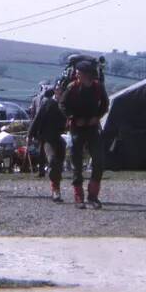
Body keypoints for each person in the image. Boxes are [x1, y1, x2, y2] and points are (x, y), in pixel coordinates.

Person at [60, 60, 108, 209]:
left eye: (79, 73)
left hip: (93, 127)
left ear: (86, 75)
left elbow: (105, 104)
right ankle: (78, 197)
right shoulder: (72, 87)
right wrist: (73, 118)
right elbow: (62, 104)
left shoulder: (98, 87)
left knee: (98, 160)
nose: (76, 75)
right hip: (77, 128)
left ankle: (93, 196)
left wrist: (97, 116)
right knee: (77, 163)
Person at [28, 86, 67, 202]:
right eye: (59, 89)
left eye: (62, 90)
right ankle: (55, 190)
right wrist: (30, 134)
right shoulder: (48, 103)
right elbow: (38, 119)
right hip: (48, 139)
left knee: (59, 164)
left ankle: (56, 187)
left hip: (60, 138)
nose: (60, 92)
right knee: (53, 160)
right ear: (55, 91)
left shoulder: (66, 105)